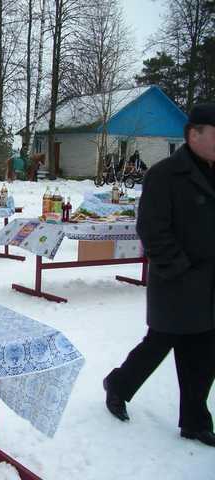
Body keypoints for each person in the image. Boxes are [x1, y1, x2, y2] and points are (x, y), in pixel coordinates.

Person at [103, 103, 215, 448]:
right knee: (160, 343)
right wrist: (180, 268)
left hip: (211, 283)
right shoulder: (165, 174)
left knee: (204, 352)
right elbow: (151, 229)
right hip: (178, 281)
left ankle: (195, 421)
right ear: (193, 134)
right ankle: (118, 386)